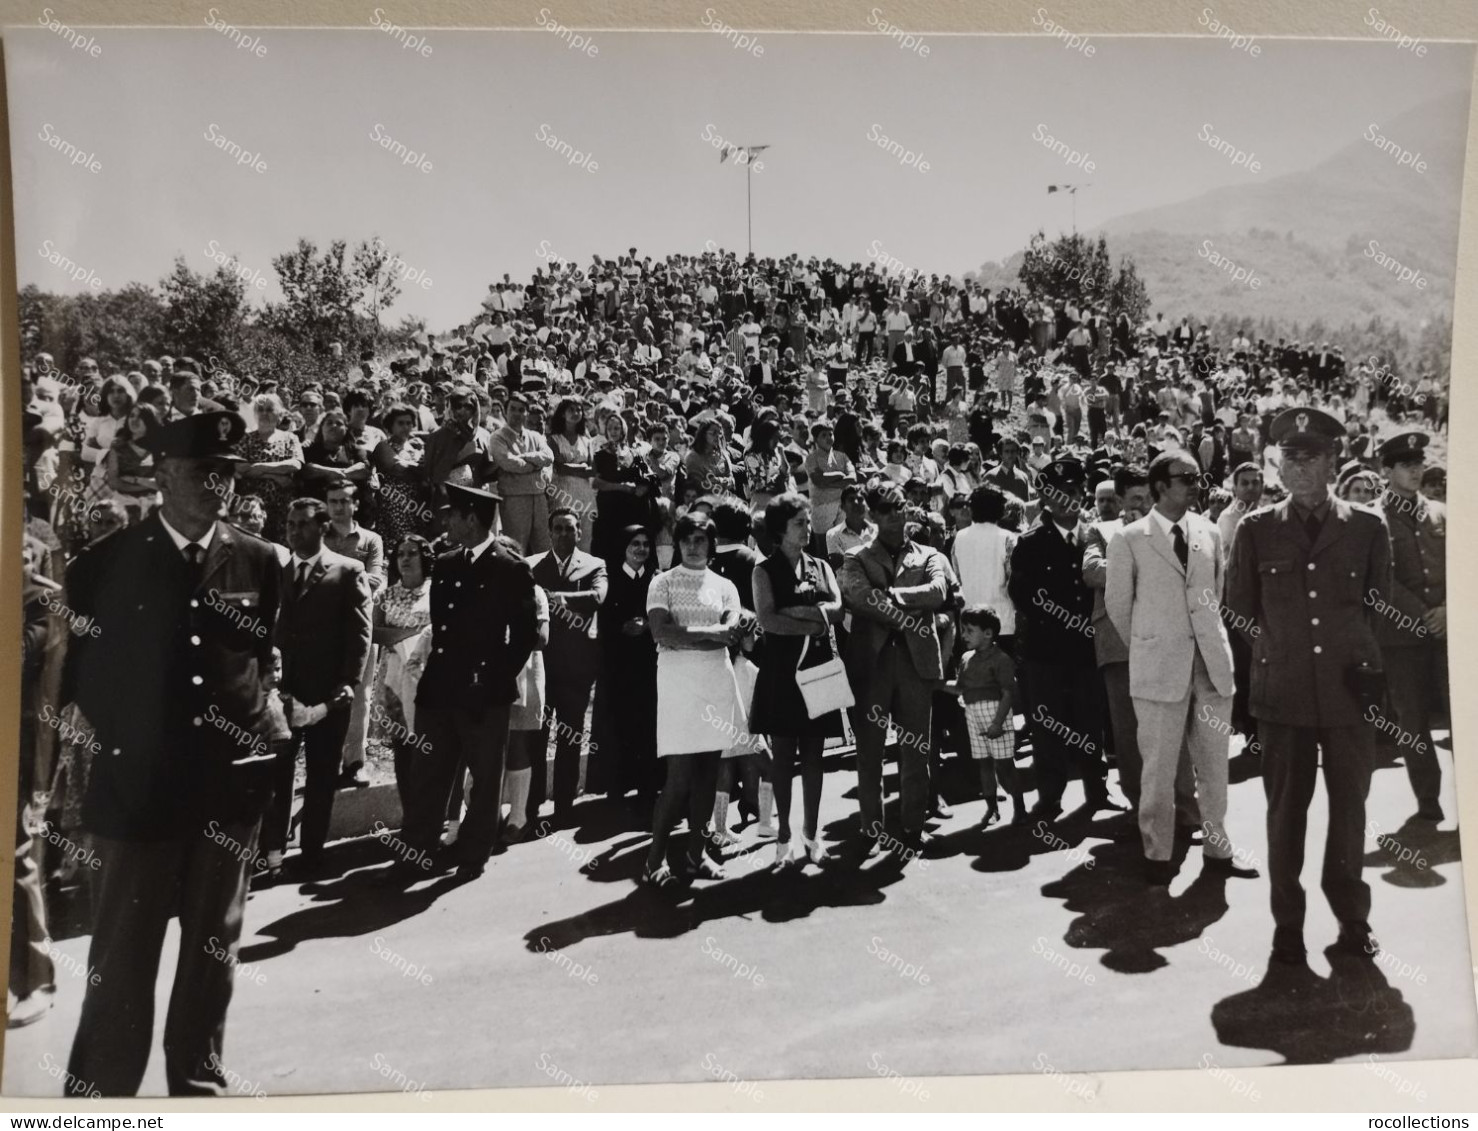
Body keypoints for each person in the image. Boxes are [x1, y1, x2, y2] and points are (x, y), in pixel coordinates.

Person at [60, 411, 282, 1096]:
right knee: (122, 963)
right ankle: (100, 1100)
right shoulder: (106, 563)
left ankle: (198, 1092)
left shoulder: (259, 559)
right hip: (137, 796)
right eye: (201, 472)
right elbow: (84, 681)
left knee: (213, 959)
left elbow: (259, 661)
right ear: (161, 475)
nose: (218, 484)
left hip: (226, 797)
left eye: (227, 472)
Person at [1224, 407, 1393, 971]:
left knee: (1350, 813)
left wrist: (1366, 667)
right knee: (1284, 816)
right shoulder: (1256, 528)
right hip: (1285, 696)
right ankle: (1287, 929)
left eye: (1310, 457)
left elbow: (1379, 610)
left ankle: (1352, 919)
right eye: (1288, 458)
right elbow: (1238, 612)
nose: (1297, 469)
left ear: (1333, 461)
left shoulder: (1368, 527)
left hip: (1350, 696)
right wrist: (1273, 658)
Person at [1105, 451, 1257, 885]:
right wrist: (1154, 642)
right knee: (1158, 766)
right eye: (1184, 478)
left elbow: (1217, 592)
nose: (1194, 484)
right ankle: (1157, 853)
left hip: (1210, 665)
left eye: (1196, 477)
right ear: (1158, 486)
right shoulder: (1130, 538)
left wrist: (1203, 640)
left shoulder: (1209, 532)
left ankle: (1218, 848)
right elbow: (1119, 607)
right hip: (1159, 668)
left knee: (1214, 765)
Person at [397, 484, 537, 881]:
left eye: (452, 515)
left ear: (471, 518)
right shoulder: (445, 563)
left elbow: (524, 636)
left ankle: (473, 857)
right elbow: (443, 629)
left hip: (482, 694)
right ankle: (414, 854)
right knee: (427, 775)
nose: (446, 522)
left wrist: (491, 679)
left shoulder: (510, 567)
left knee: (485, 776)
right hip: (441, 689)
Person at [1008, 457, 1123, 821]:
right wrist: (1060, 621)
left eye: (1072, 492)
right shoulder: (1030, 542)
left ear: (1082, 494)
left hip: (1087, 648)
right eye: (1055, 493)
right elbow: (1021, 594)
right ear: (1044, 496)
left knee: (1091, 722)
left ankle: (1098, 792)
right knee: (1047, 727)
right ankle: (1050, 798)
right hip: (1046, 650)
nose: (1064, 500)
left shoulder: (1096, 536)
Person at [641, 512, 752, 886]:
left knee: (708, 776)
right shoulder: (662, 582)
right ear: (678, 542)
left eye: (700, 539)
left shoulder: (725, 586)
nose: (692, 546)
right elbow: (661, 633)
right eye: (686, 539)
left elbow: (733, 630)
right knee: (678, 779)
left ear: (711, 544)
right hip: (677, 683)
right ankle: (654, 860)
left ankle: (696, 853)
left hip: (715, 680)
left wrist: (702, 634)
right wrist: (715, 633)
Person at [265, 498, 373, 875]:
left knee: (321, 777)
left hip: (329, 695)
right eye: (290, 525)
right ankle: (272, 855)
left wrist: (348, 684)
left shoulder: (347, 570)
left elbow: (359, 634)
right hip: (283, 695)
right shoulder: (277, 571)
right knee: (276, 777)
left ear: (323, 527)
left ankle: (311, 854)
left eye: (303, 525)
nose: (294, 531)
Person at [841, 480, 948, 854]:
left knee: (916, 750)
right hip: (872, 663)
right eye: (886, 509)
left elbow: (939, 593)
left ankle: (913, 828)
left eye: (900, 506)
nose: (896, 515)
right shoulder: (855, 556)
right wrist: (906, 615)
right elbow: (858, 596)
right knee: (870, 751)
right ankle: (873, 830)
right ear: (871, 514)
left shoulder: (929, 554)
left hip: (916, 664)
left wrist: (894, 596)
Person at [750, 493, 845, 867]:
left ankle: (812, 835)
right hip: (781, 672)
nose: (807, 529)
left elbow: (836, 611)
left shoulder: (821, 565)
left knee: (814, 757)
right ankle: (783, 838)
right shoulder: (763, 570)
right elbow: (768, 620)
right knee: (784, 756)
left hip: (817, 668)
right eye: (799, 524)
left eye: (808, 522)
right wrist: (815, 617)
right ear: (779, 529)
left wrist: (805, 614)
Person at [1375, 431, 1446, 822]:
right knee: (1413, 721)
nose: (1417, 470)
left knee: (1462, 711)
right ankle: (1428, 797)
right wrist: (1424, 614)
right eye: (1406, 465)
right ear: (1387, 470)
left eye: (1419, 463)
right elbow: (1381, 581)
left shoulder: (1441, 513)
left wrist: (1449, 611)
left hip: (1449, 632)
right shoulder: (1373, 519)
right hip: (1401, 637)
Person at [527, 508, 608, 825]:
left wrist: (552, 599)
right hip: (541, 666)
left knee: (570, 737)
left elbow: (597, 597)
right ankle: (530, 806)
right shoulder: (532, 565)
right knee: (537, 736)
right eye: (557, 529)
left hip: (577, 666)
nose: (563, 534)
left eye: (569, 529)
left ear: (579, 533)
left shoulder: (594, 565)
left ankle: (563, 806)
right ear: (549, 532)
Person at [591, 525, 661, 815]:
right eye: (635, 543)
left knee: (647, 726)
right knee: (619, 726)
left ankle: (648, 788)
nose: (641, 549)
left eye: (646, 543)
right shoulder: (611, 579)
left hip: (647, 666)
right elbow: (602, 621)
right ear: (624, 546)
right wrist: (621, 627)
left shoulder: (656, 580)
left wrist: (646, 627)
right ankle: (617, 788)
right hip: (618, 666)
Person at [323, 480, 386, 790]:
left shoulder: (371, 540)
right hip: (323, 629)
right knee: (323, 694)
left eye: (344, 501)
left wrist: (332, 579)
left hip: (360, 628)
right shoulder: (317, 535)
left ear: (355, 505)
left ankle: (354, 763)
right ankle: (325, 764)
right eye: (332, 501)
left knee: (359, 697)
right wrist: (352, 575)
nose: (338, 507)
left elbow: (375, 581)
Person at [373, 535, 435, 828]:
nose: (406, 559)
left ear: (425, 557)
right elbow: (375, 632)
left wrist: (418, 640)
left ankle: (432, 817)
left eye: (412, 553)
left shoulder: (435, 591)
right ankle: (411, 817)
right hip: (395, 680)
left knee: (430, 746)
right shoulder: (385, 596)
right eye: (400, 554)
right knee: (404, 749)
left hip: (428, 676)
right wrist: (411, 636)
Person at [944, 605, 1024, 825]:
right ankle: (992, 809)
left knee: (1005, 765)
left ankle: (1020, 808)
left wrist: (998, 722)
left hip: (996, 715)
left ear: (988, 633)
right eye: (963, 630)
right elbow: (960, 688)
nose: (964, 635)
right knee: (984, 765)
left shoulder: (1001, 660)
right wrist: (937, 685)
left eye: (970, 630)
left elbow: (1008, 694)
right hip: (973, 715)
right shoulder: (966, 658)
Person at [490, 393, 555, 555]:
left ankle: (543, 581)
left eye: (521, 410)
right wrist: (535, 466)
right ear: (505, 411)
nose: (517, 413)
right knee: (517, 548)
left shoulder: (536, 437)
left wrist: (526, 457)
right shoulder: (498, 437)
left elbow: (549, 457)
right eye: (513, 409)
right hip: (514, 498)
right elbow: (508, 462)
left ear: (526, 413)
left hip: (538, 497)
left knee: (544, 547)